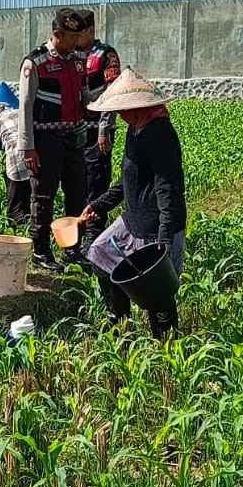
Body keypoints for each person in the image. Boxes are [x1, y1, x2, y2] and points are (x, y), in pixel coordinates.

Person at [79, 70, 186, 338]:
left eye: (125, 109)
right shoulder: (135, 130)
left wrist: (163, 237)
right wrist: (100, 205)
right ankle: (120, 324)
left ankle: (167, 347)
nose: (121, 115)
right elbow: (128, 179)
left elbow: (167, 187)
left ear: (141, 106)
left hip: (155, 223)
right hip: (133, 219)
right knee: (100, 255)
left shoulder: (160, 133)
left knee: (156, 292)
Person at [19, 8, 90, 270]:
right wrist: (27, 147)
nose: (76, 41)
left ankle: (71, 248)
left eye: (78, 36)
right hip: (45, 139)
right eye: (71, 37)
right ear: (57, 34)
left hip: (74, 136)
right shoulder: (35, 63)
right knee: (43, 196)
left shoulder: (78, 59)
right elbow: (25, 107)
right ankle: (41, 250)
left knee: (76, 194)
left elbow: (85, 97)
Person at [74, 11, 122, 241]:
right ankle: (76, 234)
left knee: (97, 182)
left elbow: (112, 93)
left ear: (91, 31)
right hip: (76, 130)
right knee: (77, 184)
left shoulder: (106, 55)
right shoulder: (72, 55)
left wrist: (105, 129)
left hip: (97, 131)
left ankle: (94, 236)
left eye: (79, 32)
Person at [0, 106, 31, 226]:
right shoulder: (20, 113)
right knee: (36, 203)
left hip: (17, 162)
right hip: (37, 159)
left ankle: (20, 237)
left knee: (15, 210)